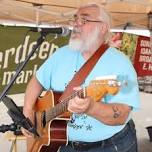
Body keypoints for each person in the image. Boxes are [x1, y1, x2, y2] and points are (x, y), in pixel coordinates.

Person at [22, 3, 140, 152]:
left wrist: (91, 107)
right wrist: (28, 112)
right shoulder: (61, 54)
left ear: (103, 28)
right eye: (75, 19)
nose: (76, 24)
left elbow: (122, 114)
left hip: (110, 146)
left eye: (84, 20)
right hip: (64, 144)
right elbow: (37, 81)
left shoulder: (121, 64)